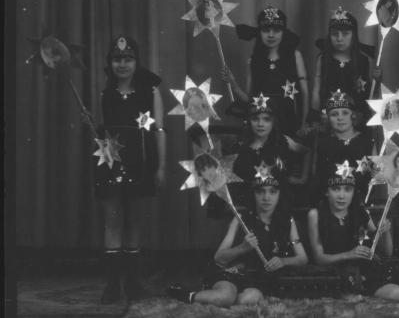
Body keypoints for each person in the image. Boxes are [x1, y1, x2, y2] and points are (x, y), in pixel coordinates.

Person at [167, 162, 308, 306]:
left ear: (279, 194)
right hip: (233, 273)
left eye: (272, 191)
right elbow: (219, 258)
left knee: (249, 299)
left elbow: (302, 258)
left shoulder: (287, 221)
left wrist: (283, 261)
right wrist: (242, 248)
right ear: (253, 193)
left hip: (257, 280)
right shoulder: (240, 219)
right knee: (224, 297)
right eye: (260, 191)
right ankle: (187, 294)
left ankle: (225, 300)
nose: (266, 197)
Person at [307, 163, 399, 301]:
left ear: (353, 192)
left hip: (369, 269)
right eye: (336, 189)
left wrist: (385, 232)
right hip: (344, 275)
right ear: (326, 192)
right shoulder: (316, 215)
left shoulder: (359, 212)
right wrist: (349, 254)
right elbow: (319, 258)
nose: (341, 196)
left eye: (347, 190)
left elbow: (387, 253)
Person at [94, 36, 166, 303]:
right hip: (110, 162)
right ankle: (113, 285)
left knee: (134, 221)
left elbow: (158, 130)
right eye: (117, 59)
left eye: (128, 58)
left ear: (137, 62)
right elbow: (100, 133)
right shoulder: (105, 94)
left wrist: (161, 167)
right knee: (113, 221)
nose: (122, 64)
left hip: (141, 163)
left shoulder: (151, 92)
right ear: (110, 63)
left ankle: (133, 283)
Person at [222, 6, 309, 136]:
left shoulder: (295, 56)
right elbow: (249, 99)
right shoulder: (253, 61)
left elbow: (305, 93)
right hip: (262, 127)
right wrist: (233, 83)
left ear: (283, 32)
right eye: (266, 30)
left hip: (288, 125)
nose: (271, 35)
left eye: (276, 30)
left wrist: (304, 124)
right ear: (260, 32)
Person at [227, 93, 310, 210]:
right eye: (256, 119)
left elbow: (307, 151)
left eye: (266, 119)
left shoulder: (283, 141)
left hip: (280, 204)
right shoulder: (240, 149)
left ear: (273, 122)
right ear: (249, 121)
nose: (260, 124)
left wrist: (302, 178)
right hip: (251, 206)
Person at [309, 7, 379, 129]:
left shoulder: (363, 61)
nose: (340, 38)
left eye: (345, 34)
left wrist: (376, 79)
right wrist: (314, 116)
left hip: (355, 119)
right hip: (328, 118)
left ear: (354, 35)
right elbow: (316, 90)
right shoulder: (323, 58)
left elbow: (367, 93)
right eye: (335, 34)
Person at [311, 90, 374, 205]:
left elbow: (372, 175)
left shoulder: (367, 141)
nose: (340, 118)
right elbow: (319, 177)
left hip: (362, 200)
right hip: (332, 202)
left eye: (345, 113)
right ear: (327, 118)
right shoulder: (323, 143)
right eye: (334, 114)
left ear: (353, 115)